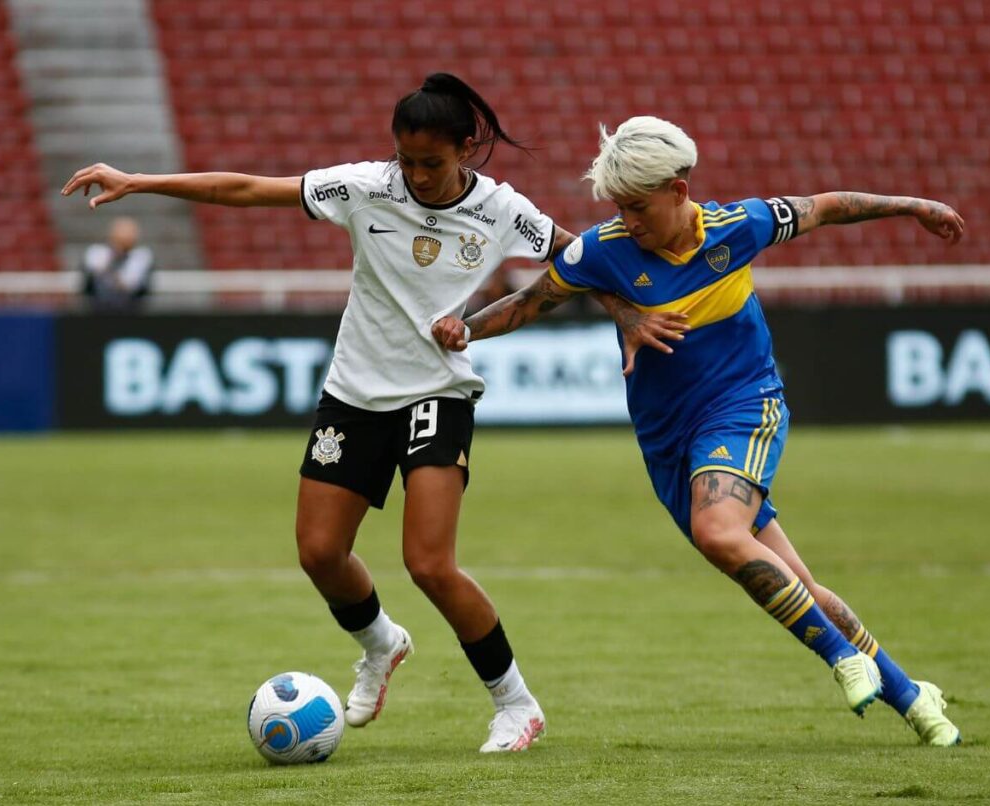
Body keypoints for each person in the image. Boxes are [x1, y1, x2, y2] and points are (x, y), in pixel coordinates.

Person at [62, 74, 673, 753]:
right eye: (406, 160)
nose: (415, 175)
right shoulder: (363, 187)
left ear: (466, 150)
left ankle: (516, 703)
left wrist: (629, 313)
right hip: (353, 393)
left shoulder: (502, 210)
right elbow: (246, 189)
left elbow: (575, 255)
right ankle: (381, 644)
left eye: (431, 164)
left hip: (436, 393)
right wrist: (141, 182)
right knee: (320, 553)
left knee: (430, 564)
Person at [432, 116, 964, 746]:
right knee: (794, 579)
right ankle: (914, 699)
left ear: (679, 191)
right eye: (618, 206)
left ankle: (842, 658)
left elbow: (826, 207)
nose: (627, 219)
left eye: (638, 206)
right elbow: (530, 301)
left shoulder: (739, 227)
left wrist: (917, 206)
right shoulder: (602, 252)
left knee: (718, 531)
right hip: (668, 443)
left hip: (743, 406)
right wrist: (465, 326)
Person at [80, 216, 154, 310]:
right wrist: (114, 257)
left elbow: (131, 285)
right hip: (98, 311)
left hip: (131, 312)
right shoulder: (96, 252)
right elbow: (93, 271)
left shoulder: (141, 256)